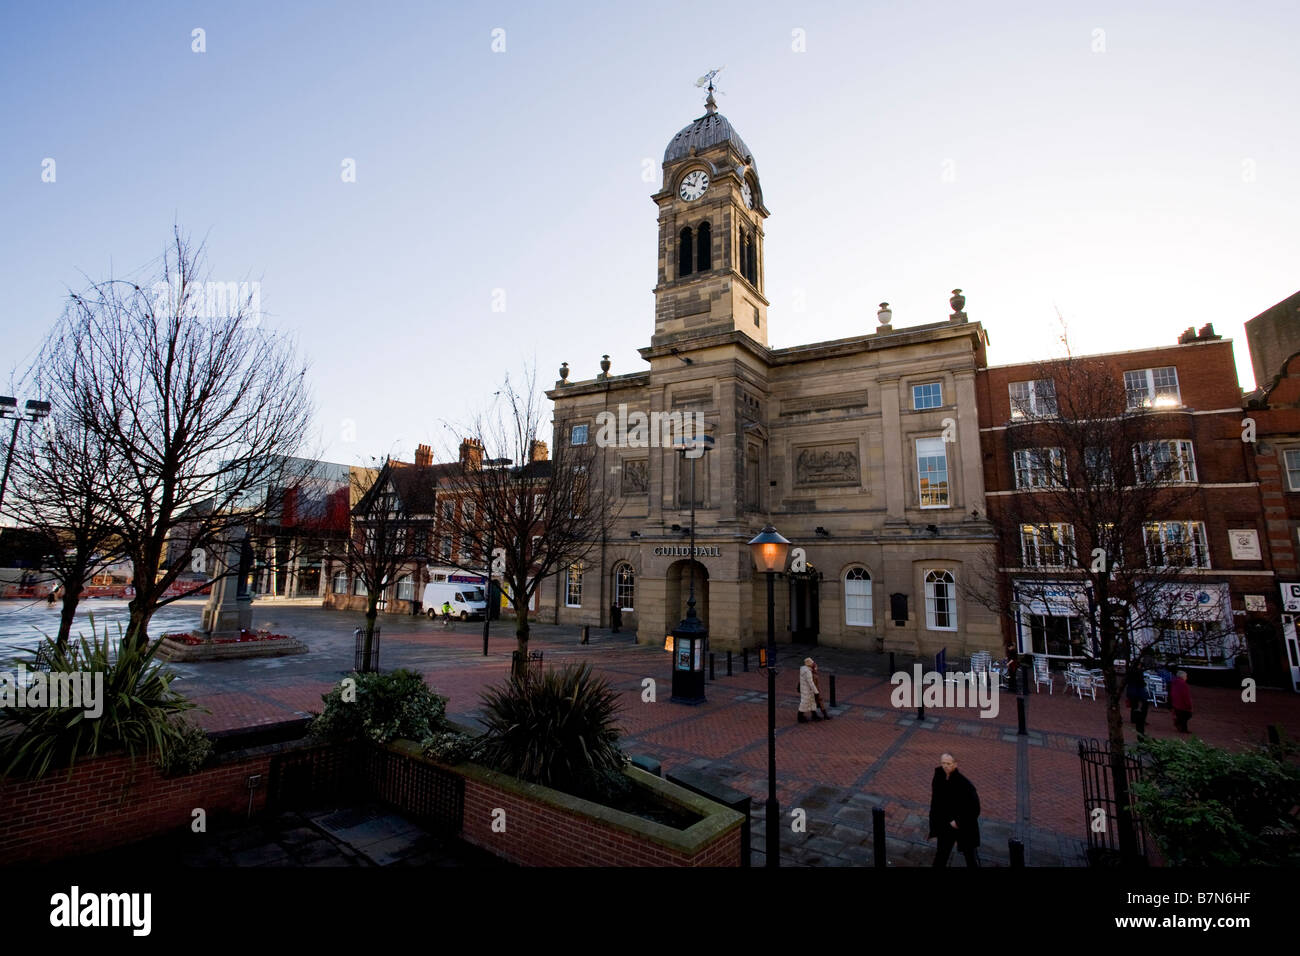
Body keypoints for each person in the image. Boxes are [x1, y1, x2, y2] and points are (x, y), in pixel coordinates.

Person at [928, 752, 981, 867]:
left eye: (948, 763)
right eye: (943, 763)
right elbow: (937, 803)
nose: (945, 766)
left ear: (955, 764)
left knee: (970, 857)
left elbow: (975, 808)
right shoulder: (938, 778)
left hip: (963, 826)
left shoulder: (964, 784)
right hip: (945, 825)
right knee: (941, 855)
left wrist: (958, 822)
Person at [1125, 660, 1150, 736]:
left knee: (1134, 704)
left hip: (1131, 689)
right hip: (1138, 690)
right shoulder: (1138, 672)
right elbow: (1141, 682)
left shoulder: (1130, 671)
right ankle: (1141, 719)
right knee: (1144, 704)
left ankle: (1133, 718)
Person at [797, 658, 821, 722]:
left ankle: (814, 715)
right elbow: (811, 683)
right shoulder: (807, 672)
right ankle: (800, 717)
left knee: (812, 701)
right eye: (812, 663)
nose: (814, 664)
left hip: (807, 689)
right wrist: (816, 692)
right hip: (806, 689)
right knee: (805, 702)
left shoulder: (805, 669)